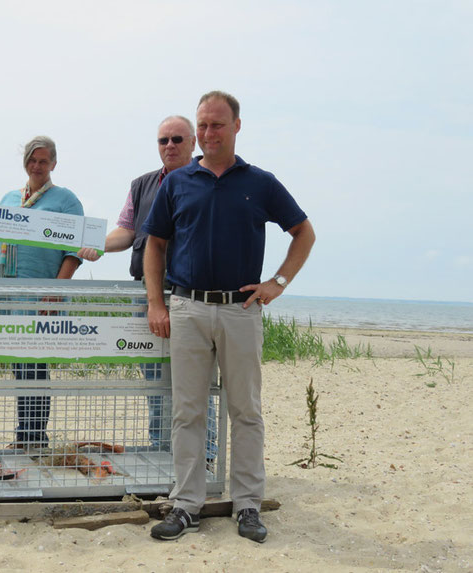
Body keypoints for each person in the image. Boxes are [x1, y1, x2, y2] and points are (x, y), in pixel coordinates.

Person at [144, 91, 315, 543]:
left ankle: (247, 506)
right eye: (202, 125)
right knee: (186, 412)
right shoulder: (178, 182)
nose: (208, 133)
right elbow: (154, 245)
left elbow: (303, 232)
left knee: (246, 411)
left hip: (241, 311)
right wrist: (156, 303)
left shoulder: (260, 182)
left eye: (217, 124)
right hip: (187, 309)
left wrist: (277, 281)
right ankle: (185, 505)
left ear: (237, 126)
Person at [78, 116, 217, 463]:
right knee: (154, 377)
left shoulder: (211, 181)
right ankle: (161, 448)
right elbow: (126, 231)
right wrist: (95, 244)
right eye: (163, 140)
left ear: (193, 143)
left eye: (176, 139)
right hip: (148, 293)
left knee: (197, 380)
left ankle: (207, 453)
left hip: (193, 294)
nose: (169, 146)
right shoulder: (141, 185)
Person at [0, 136, 83, 448]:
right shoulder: (9, 198)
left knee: (36, 367)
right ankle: (25, 435)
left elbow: (74, 251)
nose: (37, 166)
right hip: (9, 296)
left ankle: (34, 437)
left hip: (43, 298)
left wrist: (56, 290)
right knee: (19, 366)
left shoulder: (65, 200)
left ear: (53, 163)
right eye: (32, 160)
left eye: (43, 161)